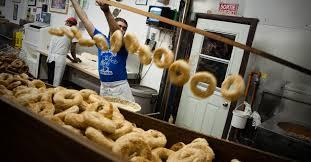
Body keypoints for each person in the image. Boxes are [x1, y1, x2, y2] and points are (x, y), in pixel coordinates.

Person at [70, 0, 135, 102]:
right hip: (104, 87)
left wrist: (106, 11)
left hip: (120, 88)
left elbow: (116, 33)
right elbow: (85, 19)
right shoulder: (101, 40)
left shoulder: (124, 43)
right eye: (119, 26)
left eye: (124, 28)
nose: (121, 29)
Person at [47, 17, 81, 86]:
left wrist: (71, 59)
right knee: (56, 83)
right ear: (74, 25)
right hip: (59, 61)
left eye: (66, 22)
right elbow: (72, 50)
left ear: (67, 23)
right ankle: (54, 95)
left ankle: (47, 94)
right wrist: (75, 59)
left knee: (50, 81)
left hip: (50, 58)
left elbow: (59, 50)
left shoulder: (58, 29)